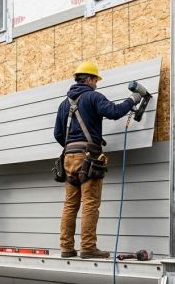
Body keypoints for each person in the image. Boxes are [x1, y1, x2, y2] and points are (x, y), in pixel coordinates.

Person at [54, 61, 142, 259]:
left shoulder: (63, 104)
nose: (97, 84)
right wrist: (133, 100)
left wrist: (72, 147)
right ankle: (88, 247)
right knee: (90, 203)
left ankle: (66, 248)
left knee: (70, 205)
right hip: (89, 157)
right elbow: (114, 112)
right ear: (89, 79)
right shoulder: (93, 96)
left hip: (68, 158)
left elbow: (58, 134)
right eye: (96, 80)